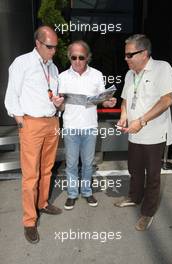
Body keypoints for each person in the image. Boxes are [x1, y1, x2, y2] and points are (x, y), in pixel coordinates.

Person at [5, 26, 64, 244]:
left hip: (52, 122)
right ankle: (29, 221)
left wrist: (58, 104)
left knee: (47, 168)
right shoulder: (22, 63)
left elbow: (52, 93)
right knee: (31, 175)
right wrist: (21, 121)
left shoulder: (53, 67)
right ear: (38, 43)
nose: (53, 51)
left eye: (55, 47)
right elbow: (12, 94)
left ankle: (42, 203)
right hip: (31, 123)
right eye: (49, 47)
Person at [114, 34, 172, 231]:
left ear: (144, 53)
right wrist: (124, 115)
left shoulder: (162, 68)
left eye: (130, 54)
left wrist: (141, 121)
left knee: (153, 176)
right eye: (125, 55)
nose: (126, 58)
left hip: (154, 134)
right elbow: (125, 99)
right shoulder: (129, 74)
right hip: (134, 133)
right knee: (135, 169)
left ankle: (147, 212)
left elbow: (167, 100)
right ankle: (134, 197)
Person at [59, 40, 116, 210]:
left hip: (90, 126)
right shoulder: (62, 77)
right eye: (73, 57)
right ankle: (71, 194)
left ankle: (86, 191)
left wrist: (109, 102)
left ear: (87, 58)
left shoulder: (97, 75)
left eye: (81, 57)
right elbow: (60, 106)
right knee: (70, 164)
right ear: (70, 57)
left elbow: (102, 100)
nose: (77, 61)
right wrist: (57, 103)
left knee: (88, 163)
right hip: (70, 127)